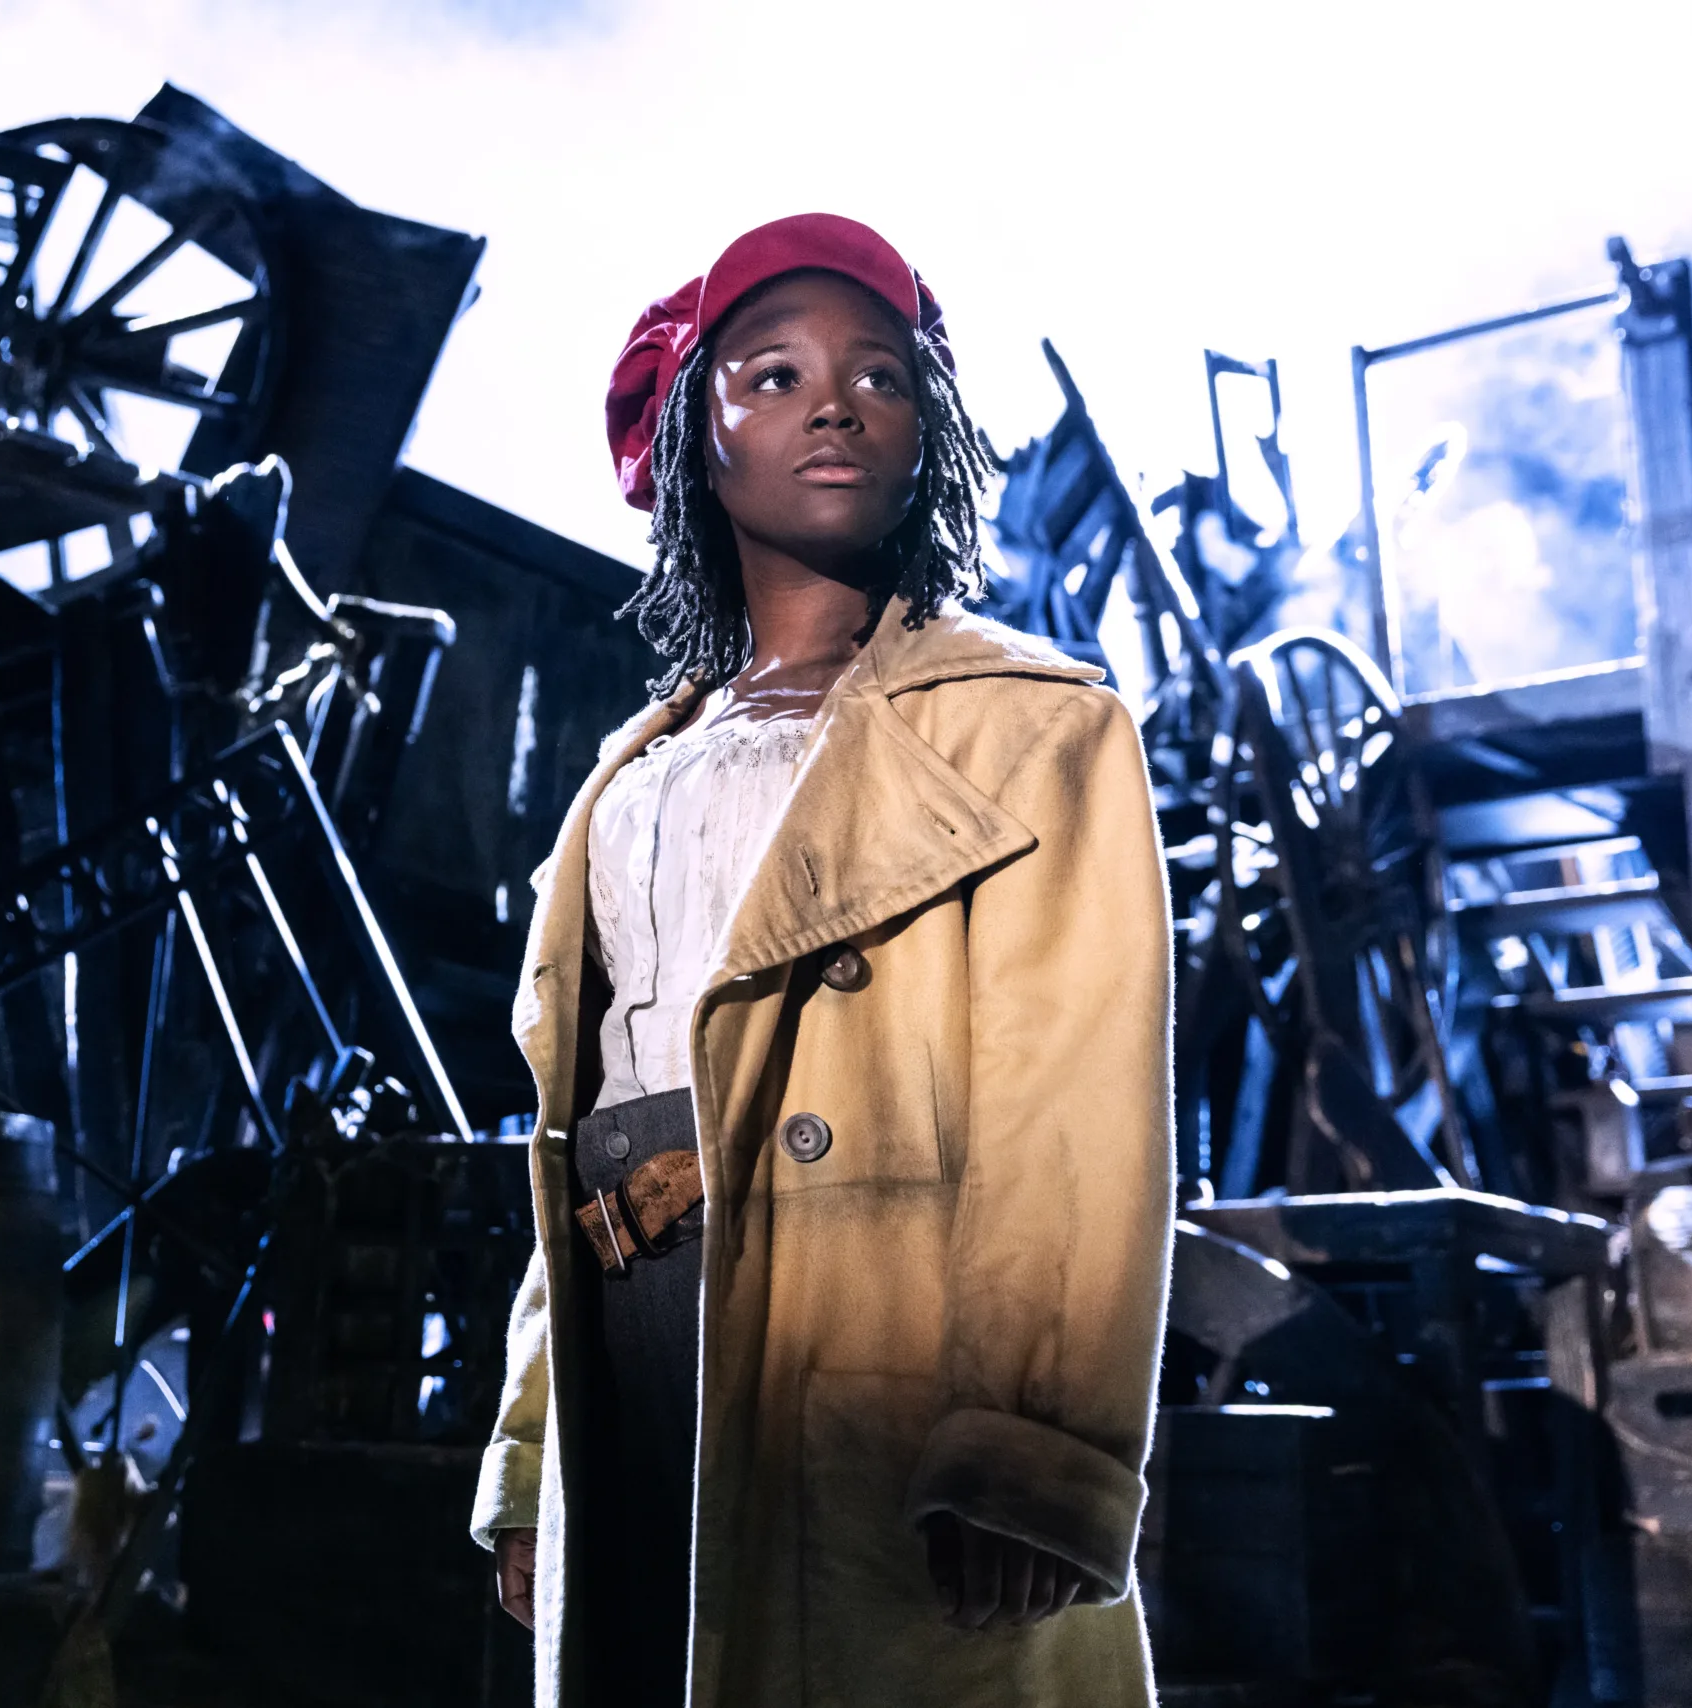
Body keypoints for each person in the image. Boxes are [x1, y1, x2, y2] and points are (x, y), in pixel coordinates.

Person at [467, 214, 1176, 1707]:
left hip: (878, 1382)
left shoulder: (1039, 731)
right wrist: (537, 1453)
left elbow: (1075, 1114)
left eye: (880, 375)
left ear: (933, 432)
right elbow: (577, 1134)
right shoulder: (630, 780)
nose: (836, 402)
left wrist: (1035, 1447)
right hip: (641, 1344)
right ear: (692, 441)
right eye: (772, 374)